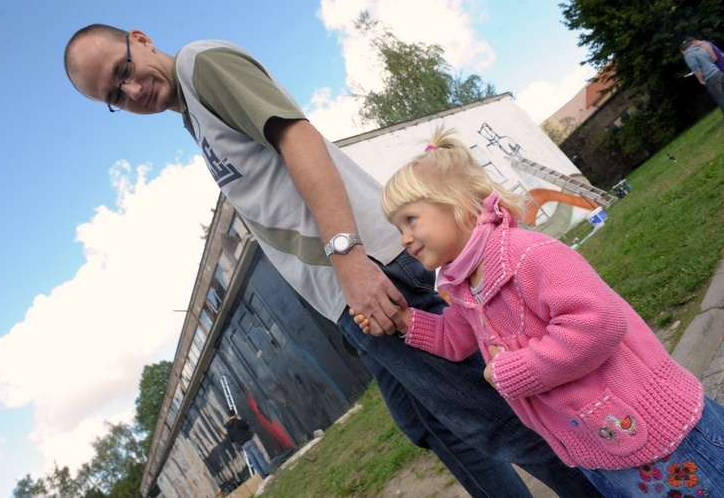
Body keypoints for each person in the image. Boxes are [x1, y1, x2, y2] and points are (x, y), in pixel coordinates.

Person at [64, 25, 602, 497]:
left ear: (140, 38)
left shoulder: (201, 65)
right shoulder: (192, 116)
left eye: (124, 70)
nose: (132, 90)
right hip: (347, 292)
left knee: (493, 419)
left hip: (372, 269)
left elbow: (298, 137)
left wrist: (348, 258)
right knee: (430, 423)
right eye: (115, 95)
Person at [354, 126, 724, 497]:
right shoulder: (466, 286)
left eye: (410, 220)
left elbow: (599, 323)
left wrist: (514, 371)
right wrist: (405, 322)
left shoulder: (525, 255)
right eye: (397, 226)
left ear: (459, 204)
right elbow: (456, 338)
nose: (404, 238)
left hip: (659, 441)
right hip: (598, 447)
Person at [680, 38, 724, 115]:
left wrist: (700, 80)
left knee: (720, 97)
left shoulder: (688, 55)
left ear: (683, 50)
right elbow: (712, 59)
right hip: (718, 72)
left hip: (710, 77)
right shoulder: (701, 49)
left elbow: (696, 69)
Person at [224, 409, 269, 478]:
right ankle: (267, 471)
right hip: (248, 441)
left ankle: (262, 475)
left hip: (242, 445)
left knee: (253, 461)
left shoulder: (228, 428)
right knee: (258, 456)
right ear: (235, 414)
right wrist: (240, 419)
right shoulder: (237, 422)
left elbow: (231, 439)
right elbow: (246, 426)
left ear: (229, 416)